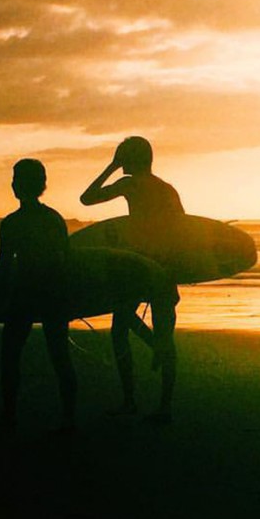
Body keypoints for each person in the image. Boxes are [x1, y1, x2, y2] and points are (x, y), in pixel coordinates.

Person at [80, 135, 182, 422]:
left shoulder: (130, 184)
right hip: (164, 267)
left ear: (129, 159)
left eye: (122, 156)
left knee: (120, 329)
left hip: (137, 266)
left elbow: (87, 198)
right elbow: (181, 231)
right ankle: (165, 407)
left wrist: (111, 167)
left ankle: (129, 400)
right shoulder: (167, 189)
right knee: (165, 336)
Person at [0, 158, 77, 431]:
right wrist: (71, 300)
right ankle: (68, 420)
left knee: (11, 357)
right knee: (60, 356)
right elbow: (68, 263)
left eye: (16, 179)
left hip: (25, 294)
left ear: (23, 185)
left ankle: (10, 415)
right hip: (53, 294)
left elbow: (4, 268)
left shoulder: (12, 223)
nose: (13, 183)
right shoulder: (53, 219)